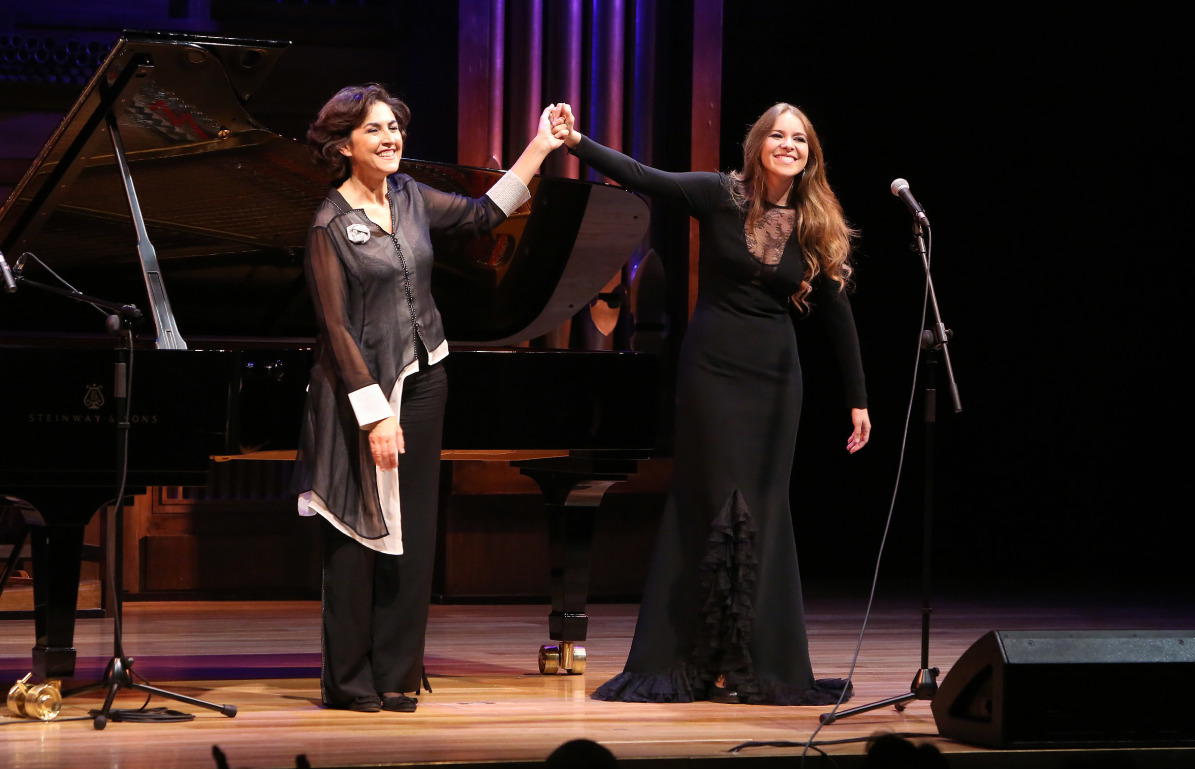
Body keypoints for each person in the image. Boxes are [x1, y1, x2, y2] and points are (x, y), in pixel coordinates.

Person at [556, 101, 870, 705]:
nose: (788, 145)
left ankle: (759, 663)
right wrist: (578, 143)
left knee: (765, 509)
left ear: (810, 154)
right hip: (711, 371)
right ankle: (688, 660)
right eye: (777, 135)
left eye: (799, 139)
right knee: (708, 502)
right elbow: (643, 175)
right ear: (758, 145)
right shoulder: (717, 194)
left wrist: (857, 399)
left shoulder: (814, 219)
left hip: (776, 379)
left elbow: (837, 315)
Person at [295, 84, 566, 712]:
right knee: (357, 531)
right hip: (360, 392)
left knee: (412, 533)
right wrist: (374, 418)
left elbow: (482, 214)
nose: (391, 138)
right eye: (375, 130)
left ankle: (396, 674)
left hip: (426, 378)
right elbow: (335, 329)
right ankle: (349, 682)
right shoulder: (329, 225)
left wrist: (539, 147)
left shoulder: (411, 197)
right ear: (344, 145)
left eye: (395, 127)